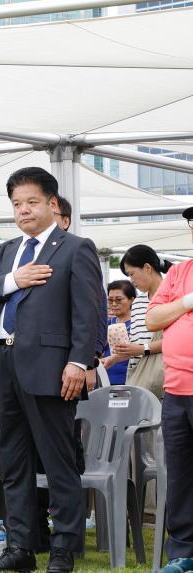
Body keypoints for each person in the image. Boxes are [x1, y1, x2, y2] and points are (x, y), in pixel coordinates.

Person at [0, 167, 104, 573]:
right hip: (3, 361)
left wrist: (79, 361)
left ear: (53, 204)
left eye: (32, 202)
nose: (23, 210)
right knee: (14, 461)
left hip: (52, 366)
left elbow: (89, 312)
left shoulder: (76, 247)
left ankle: (63, 549)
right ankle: (20, 547)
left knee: (58, 461)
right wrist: (14, 280)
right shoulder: (5, 252)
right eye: (17, 204)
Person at [145, 206, 193, 573]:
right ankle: (183, 554)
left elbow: (166, 316)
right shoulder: (179, 272)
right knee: (180, 474)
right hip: (176, 390)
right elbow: (152, 319)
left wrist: (175, 311)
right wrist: (188, 302)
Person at [120, 244, 169, 392]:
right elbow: (137, 344)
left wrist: (143, 349)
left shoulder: (173, 297)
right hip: (138, 376)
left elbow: (178, 339)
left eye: (132, 274)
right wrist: (114, 358)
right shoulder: (138, 303)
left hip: (164, 376)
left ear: (147, 268)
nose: (131, 280)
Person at [102, 280, 136, 385]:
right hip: (106, 379)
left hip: (131, 379)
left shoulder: (138, 324)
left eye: (119, 300)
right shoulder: (105, 325)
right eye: (110, 300)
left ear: (132, 300)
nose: (114, 304)